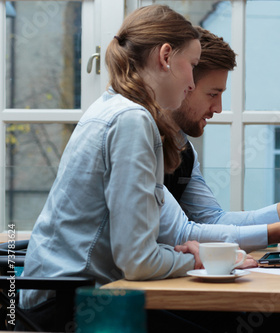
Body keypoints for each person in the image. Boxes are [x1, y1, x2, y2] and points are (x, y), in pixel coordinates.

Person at [18, 5, 204, 332]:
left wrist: (175, 254)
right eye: (193, 65)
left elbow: (133, 250)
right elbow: (138, 262)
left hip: (56, 298)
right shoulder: (132, 120)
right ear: (165, 57)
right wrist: (199, 261)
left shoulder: (111, 106)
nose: (192, 82)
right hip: (68, 307)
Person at [159, 27, 280, 252]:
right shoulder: (142, 141)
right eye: (212, 94)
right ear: (184, 85)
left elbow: (213, 220)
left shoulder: (184, 150)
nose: (219, 108)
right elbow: (181, 233)